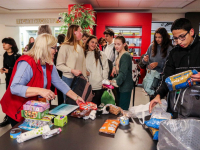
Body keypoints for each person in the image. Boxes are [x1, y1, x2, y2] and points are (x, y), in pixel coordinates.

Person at [0, 34, 85, 127]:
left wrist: (76, 97)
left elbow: (59, 82)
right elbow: (14, 88)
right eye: (54, 48)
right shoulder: (27, 62)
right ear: (45, 48)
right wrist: (41, 90)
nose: (56, 51)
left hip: (33, 109)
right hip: (16, 108)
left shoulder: (48, 63)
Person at [149, 18, 200, 116]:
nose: (179, 42)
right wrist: (158, 95)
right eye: (176, 38)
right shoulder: (174, 53)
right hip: (178, 107)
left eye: (182, 37)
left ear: (191, 32)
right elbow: (167, 77)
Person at [56, 24, 86, 102]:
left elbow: (83, 65)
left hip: (79, 80)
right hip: (68, 79)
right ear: (74, 32)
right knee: (69, 103)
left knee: (79, 103)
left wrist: (85, 78)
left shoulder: (80, 47)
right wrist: (72, 70)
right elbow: (59, 65)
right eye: (80, 31)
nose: (82, 33)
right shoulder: (65, 47)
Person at [142, 27, 173, 100]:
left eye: (160, 37)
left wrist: (158, 64)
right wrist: (145, 60)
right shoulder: (151, 46)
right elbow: (144, 62)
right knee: (152, 98)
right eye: (156, 37)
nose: (157, 39)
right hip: (152, 78)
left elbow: (171, 65)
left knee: (161, 100)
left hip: (163, 78)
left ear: (164, 37)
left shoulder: (170, 48)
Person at [0, 37, 21, 127]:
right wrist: (3, 69)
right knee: (8, 98)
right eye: (3, 43)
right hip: (8, 79)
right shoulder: (5, 54)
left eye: (5, 43)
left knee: (15, 99)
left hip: (16, 81)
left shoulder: (18, 56)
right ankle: (8, 117)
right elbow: (5, 66)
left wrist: (10, 70)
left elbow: (19, 70)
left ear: (11, 45)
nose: (3, 45)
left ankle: (16, 116)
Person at [84, 35, 109, 106]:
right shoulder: (83, 54)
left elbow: (105, 68)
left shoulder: (101, 54)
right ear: (88, 42)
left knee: (96, 107)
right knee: (87, 107)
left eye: (96, 43)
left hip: (98, 85)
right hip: (87, 85)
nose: (94, 44)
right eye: (92, 42)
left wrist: (104, 81)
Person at [111, 36, 133, 110]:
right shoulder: (119, 54)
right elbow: (117, 63)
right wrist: (114, 66)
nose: (116, 46)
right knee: (119, 107)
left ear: (124, 44)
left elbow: (123, 73)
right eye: (115, 44)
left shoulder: (125, 56)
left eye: (118, 44)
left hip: (125, 86)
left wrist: (114, 81)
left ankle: (123, 121)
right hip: (120, 86)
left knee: (123, 109)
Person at [51, 34, 65, 105]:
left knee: (52, 87)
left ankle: (49, 104)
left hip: (55, 69)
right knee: (60, 89)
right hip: (61, 71)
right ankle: (60, 104)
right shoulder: (63, 49)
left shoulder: (58, 49)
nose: (55, 51)